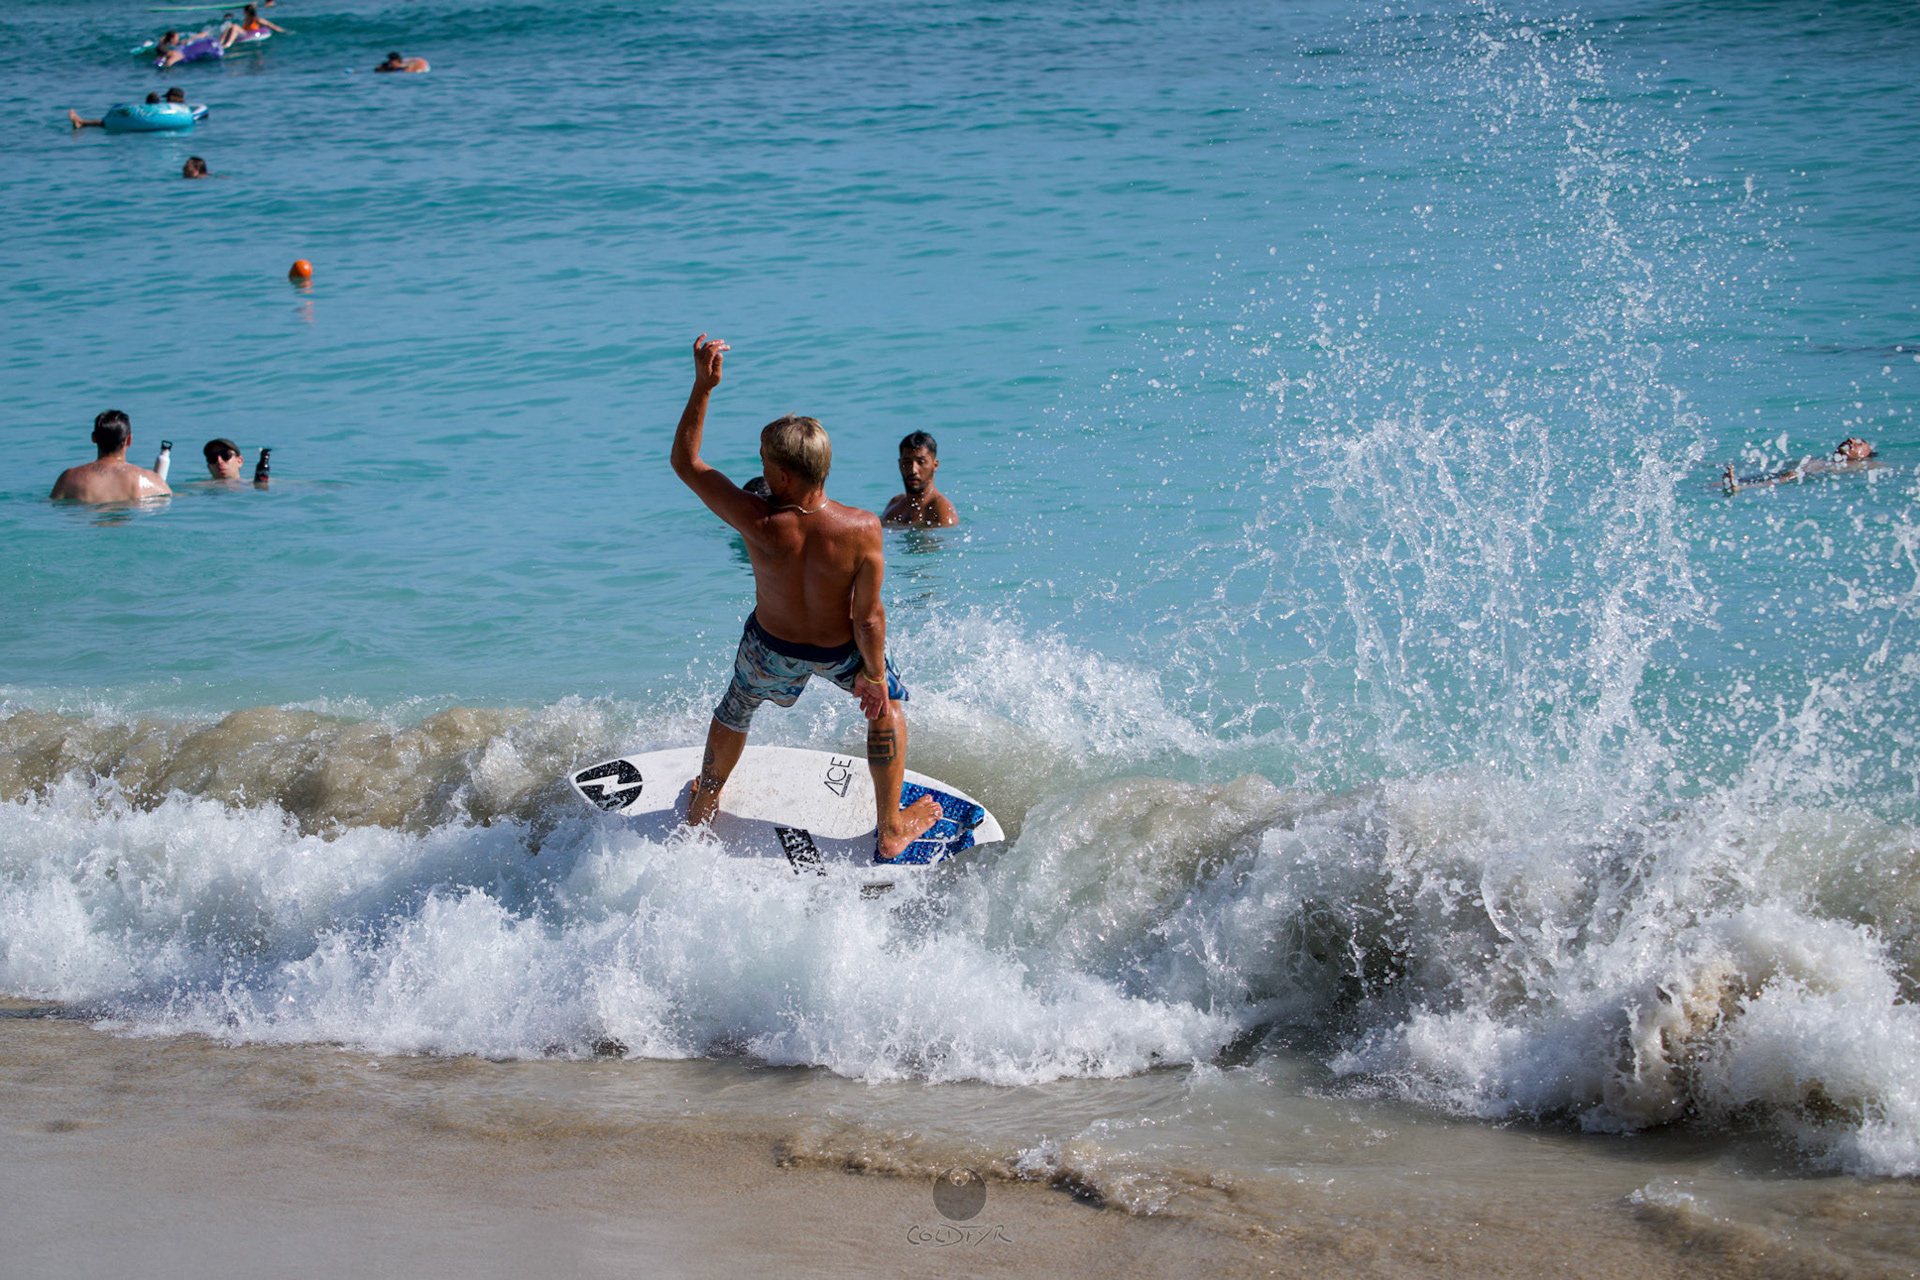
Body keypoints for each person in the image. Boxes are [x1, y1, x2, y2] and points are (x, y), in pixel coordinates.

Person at [670, 335, 941, 860]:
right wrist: (875, 678)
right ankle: (889, 828)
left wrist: (703, 387)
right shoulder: (863, 528)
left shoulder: (756, 519)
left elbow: (686, 462)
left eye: (765, 465)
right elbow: (868, 617)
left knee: (735, 710)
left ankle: (705, 802)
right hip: (839, 650)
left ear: (785, 475)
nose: (760, 473)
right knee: (887, 711)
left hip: (769, 646)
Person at [50, 411, 172, 502]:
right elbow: (168, 500)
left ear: (93, 438)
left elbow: (51, 506)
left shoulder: (69, 479)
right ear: (129, 440)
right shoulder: (152, 481)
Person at [1723, 437, 1879, 492]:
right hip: (1783, 472)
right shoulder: (1817, 460)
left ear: (1865, 455)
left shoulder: (1860, 465)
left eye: (1859, 443)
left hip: (1795, 476)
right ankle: (1728, 485)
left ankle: (1740, 489)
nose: (1851, 439)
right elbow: (1767, 464)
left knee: (1790, 476)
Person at [881, 431, 958, 527]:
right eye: (907, 462)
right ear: (900, 464)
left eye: (920, 462)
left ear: (935, 465)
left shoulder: (941, 510)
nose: (913, 470)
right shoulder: (895, 503)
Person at [70, 93, 157, 129]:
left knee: (104, 122)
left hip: (135, 121)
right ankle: (81, 122)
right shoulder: (167, 110)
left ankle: (82, 122)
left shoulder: (141, 110)